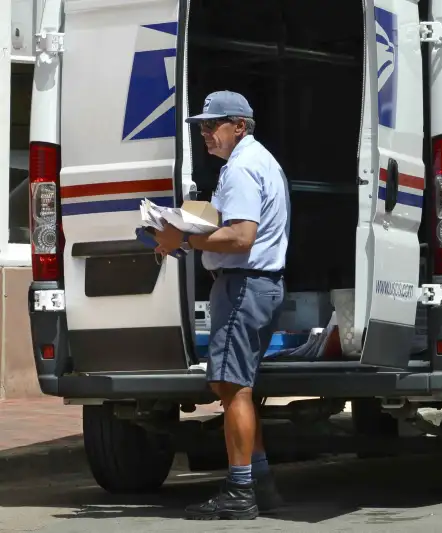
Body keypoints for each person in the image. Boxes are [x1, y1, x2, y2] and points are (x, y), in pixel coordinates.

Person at [153, 90, 290, 520]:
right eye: (202, 127)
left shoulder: (244, 167)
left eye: (214, 125)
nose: (206, 134)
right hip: (254, 285)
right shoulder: (257, 161)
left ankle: (240, 490)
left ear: (240, 126)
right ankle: (260, 483)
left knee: (233, 389)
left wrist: (183, 240)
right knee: (235, 387)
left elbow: (242, 236)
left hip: (245, 286)